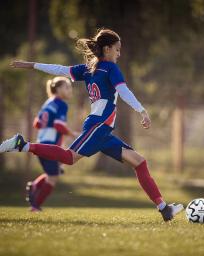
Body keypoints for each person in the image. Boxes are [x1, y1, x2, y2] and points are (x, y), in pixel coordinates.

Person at [1, 28, 183, 221]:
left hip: (103, 131)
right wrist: (142, 110)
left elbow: (60, 69)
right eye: (117, 50)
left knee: (139, 162)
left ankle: (165, 209)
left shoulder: (89, 68)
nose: (119, 54)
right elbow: (123, 91)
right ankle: (22, 144)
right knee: (69, 158)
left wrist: (32, 65)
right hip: (98, 126)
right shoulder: (110, 68)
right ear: (107, 49)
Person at [29, 76, 78, 211]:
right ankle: (35, 205)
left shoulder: (48, 102)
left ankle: (35, 185)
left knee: (56, 169)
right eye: (67, 87)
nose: (70, 91)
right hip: (50, 145)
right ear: (57, 89)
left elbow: (37, 123)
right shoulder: (61, 104)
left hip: (40, 143)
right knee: (53, 177)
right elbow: (58, 125)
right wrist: (72, 134)